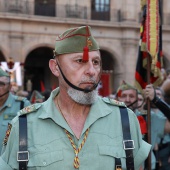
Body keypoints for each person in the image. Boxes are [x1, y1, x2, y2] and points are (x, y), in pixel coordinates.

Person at [0, 26, 151, 170]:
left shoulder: (124, 119)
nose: (91, 71)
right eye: (80, 61)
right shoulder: (24, 125)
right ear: (55, 67)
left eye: (96, 62)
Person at [0, 68, 31, 153]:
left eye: (1, 84)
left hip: (11, 163)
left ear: (10, 87)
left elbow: (31, 136)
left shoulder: (22, 105)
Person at [144, 84, 170, 170]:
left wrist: (156, 100)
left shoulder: (156, 117)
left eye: (158, 94)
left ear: (163, 98)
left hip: (164, 149)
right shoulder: (143, 113)